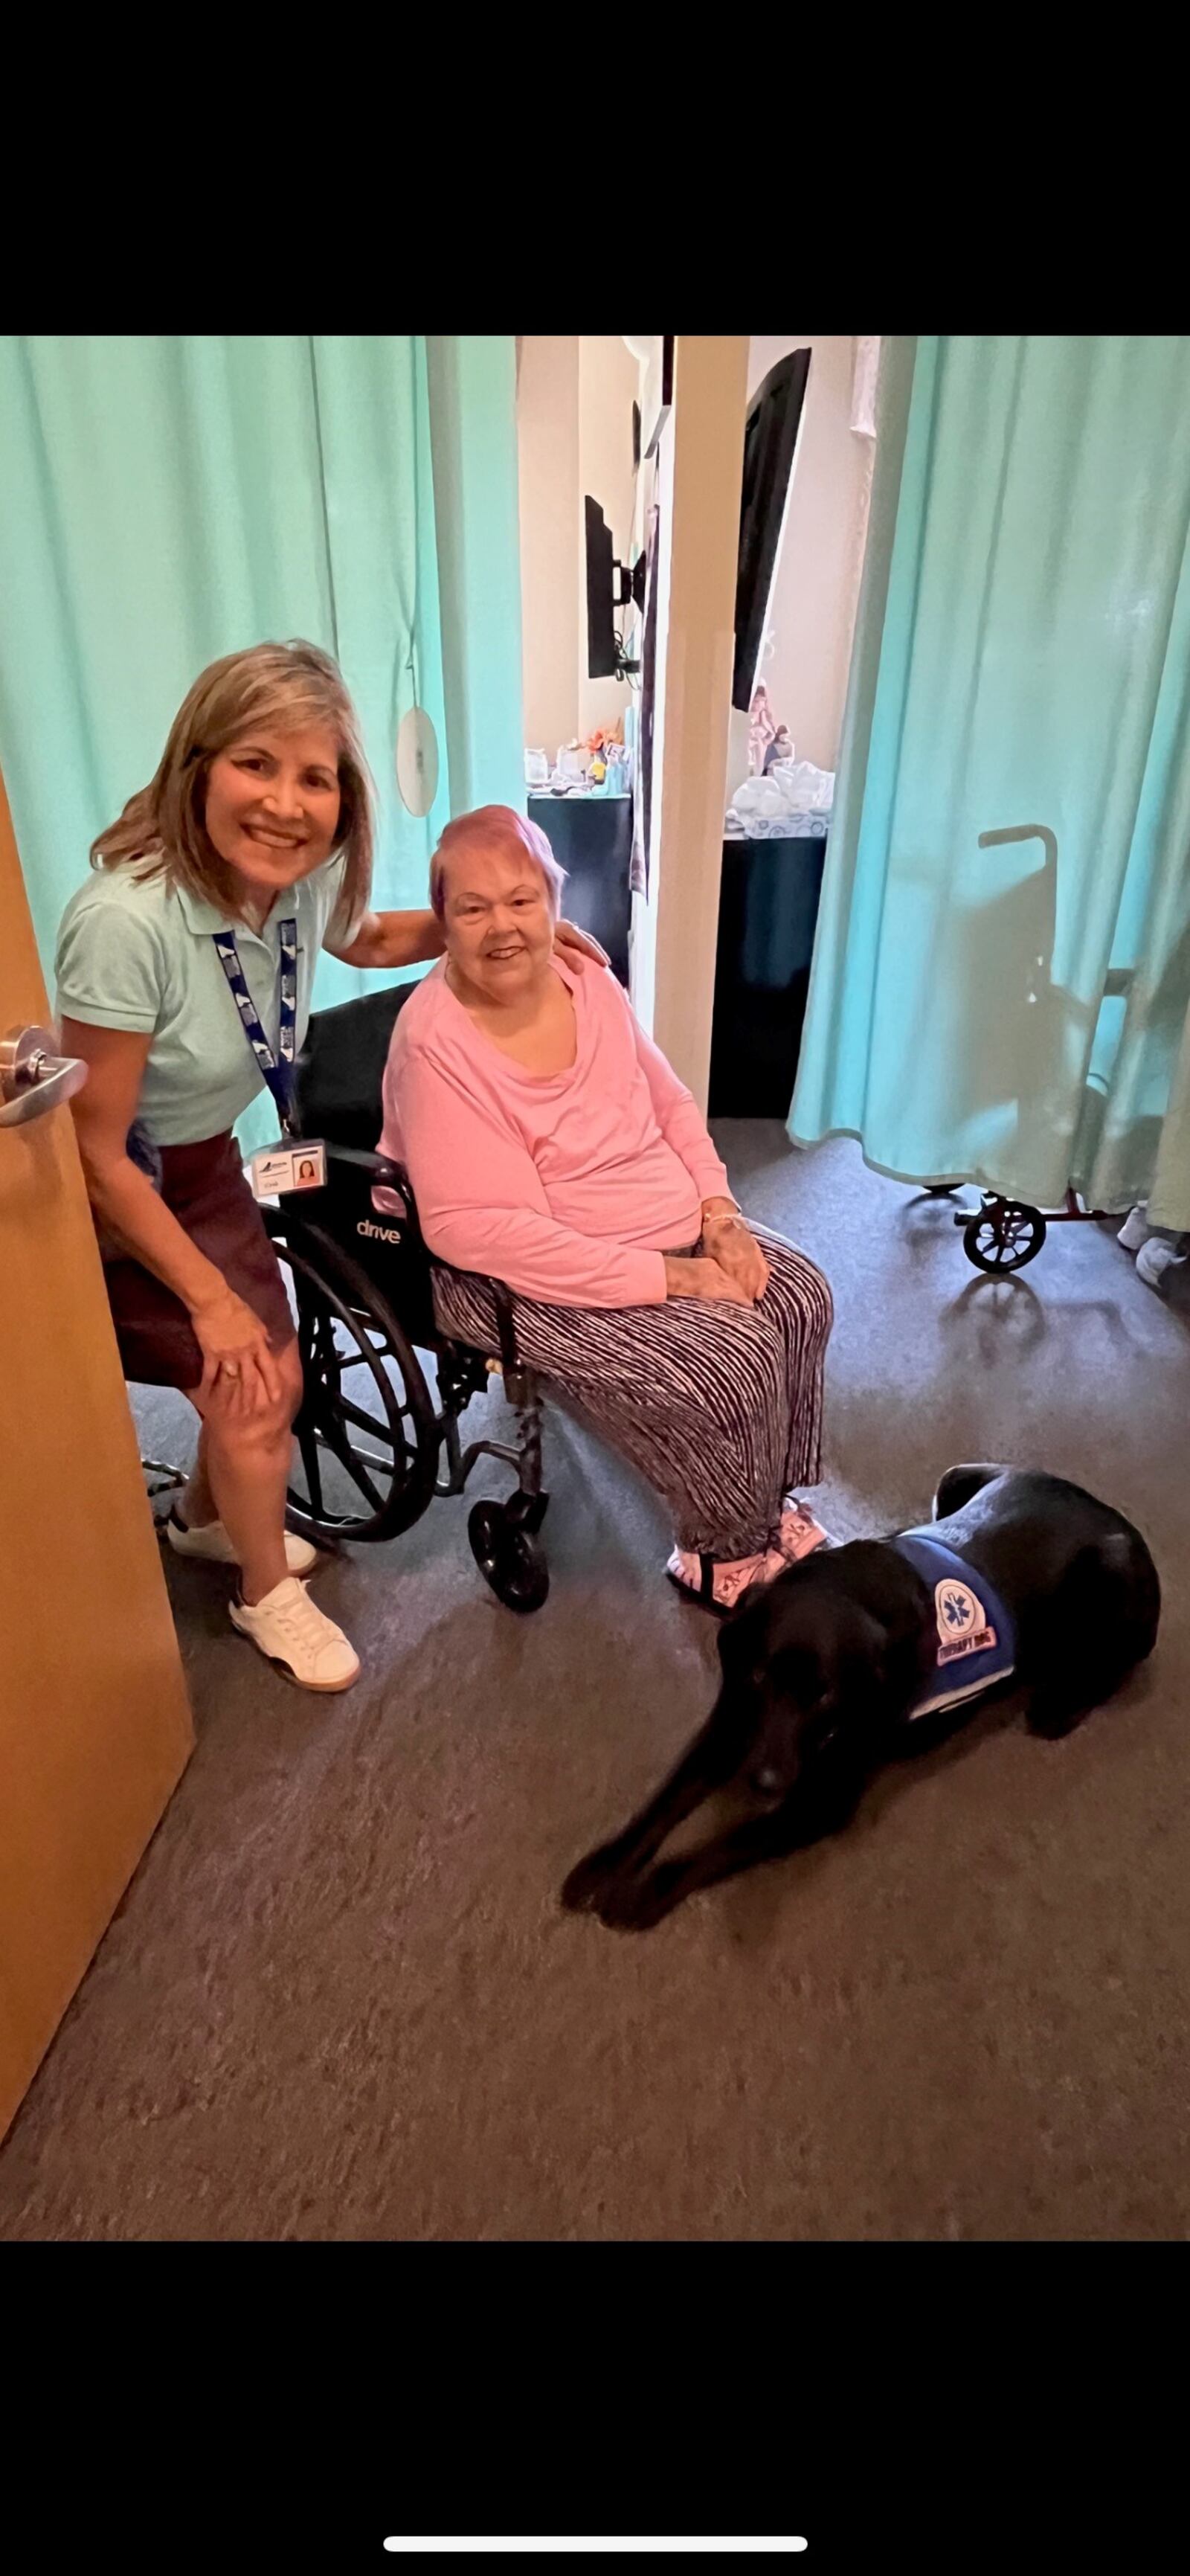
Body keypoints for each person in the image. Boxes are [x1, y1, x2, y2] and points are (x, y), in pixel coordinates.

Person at [57, 645, 603, 1692]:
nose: (287, 802)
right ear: (198, 766)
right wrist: (209, 1298)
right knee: (253, 1382)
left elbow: (371, 931)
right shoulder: (125, 923)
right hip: (108, 1185)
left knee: (272, 1368)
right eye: (257, 764)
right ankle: (266, 1594)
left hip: (206, 1152)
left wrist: (505, 925)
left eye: (316, 777)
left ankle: (208, 1520)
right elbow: (91, 1149)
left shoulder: (291, 889)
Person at [379, 806, 834, 1610]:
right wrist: (677, 1281)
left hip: (657, 1217)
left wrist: (720, 1212)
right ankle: (721, 1552)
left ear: (555, 904)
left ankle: (769, 1506)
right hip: (520, 1274)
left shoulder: (586, 976)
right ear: (440, 921)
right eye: (473, 908)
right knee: (730, 1360)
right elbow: (479, 1231)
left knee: (800, 1299)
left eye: (522, 901)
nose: (503, 928)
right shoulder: (435, 1044)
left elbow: (668, 1100)